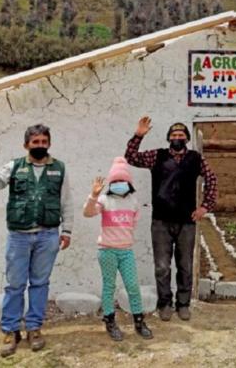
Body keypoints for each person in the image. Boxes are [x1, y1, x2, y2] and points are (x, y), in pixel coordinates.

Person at [0, 124, 74, 357]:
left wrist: (67, 230)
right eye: (36, 142)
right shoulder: (14, 167)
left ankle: (34, 328)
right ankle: (11, 331)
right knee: (15, 285)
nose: (40, 145)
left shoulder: (59, 168)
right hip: (19, 236)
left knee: (40, 284)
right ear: (26, 145)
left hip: (48, 235)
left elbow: (66, 202)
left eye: (44, 141)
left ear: (49, 143)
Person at [125, 116, 218, 321]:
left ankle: (183, 304)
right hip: (161, 221)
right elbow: (131, 157)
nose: (178, 138)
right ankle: (164, 303)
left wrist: (205, 207)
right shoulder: (156, 156)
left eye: (181, 135)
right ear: (169, 138)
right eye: (174, 135)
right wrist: (138, 135)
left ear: (186, 138)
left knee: (185, 265)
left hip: (187, 221)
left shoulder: (196, 158)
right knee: (162, 266)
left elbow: (212, 179)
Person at [83, 157, 153, 341]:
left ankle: (139, 321)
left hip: (126, 251)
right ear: (110, 183)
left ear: (129, 183)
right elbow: (87, 213)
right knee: (109, 287)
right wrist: (93, 195)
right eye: (115, 181)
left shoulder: (133, 202)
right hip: (107, 251)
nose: (119, 184)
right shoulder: (104, 199)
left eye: (122, 181)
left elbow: (133, 224)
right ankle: (110, 321)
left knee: (132, 286)